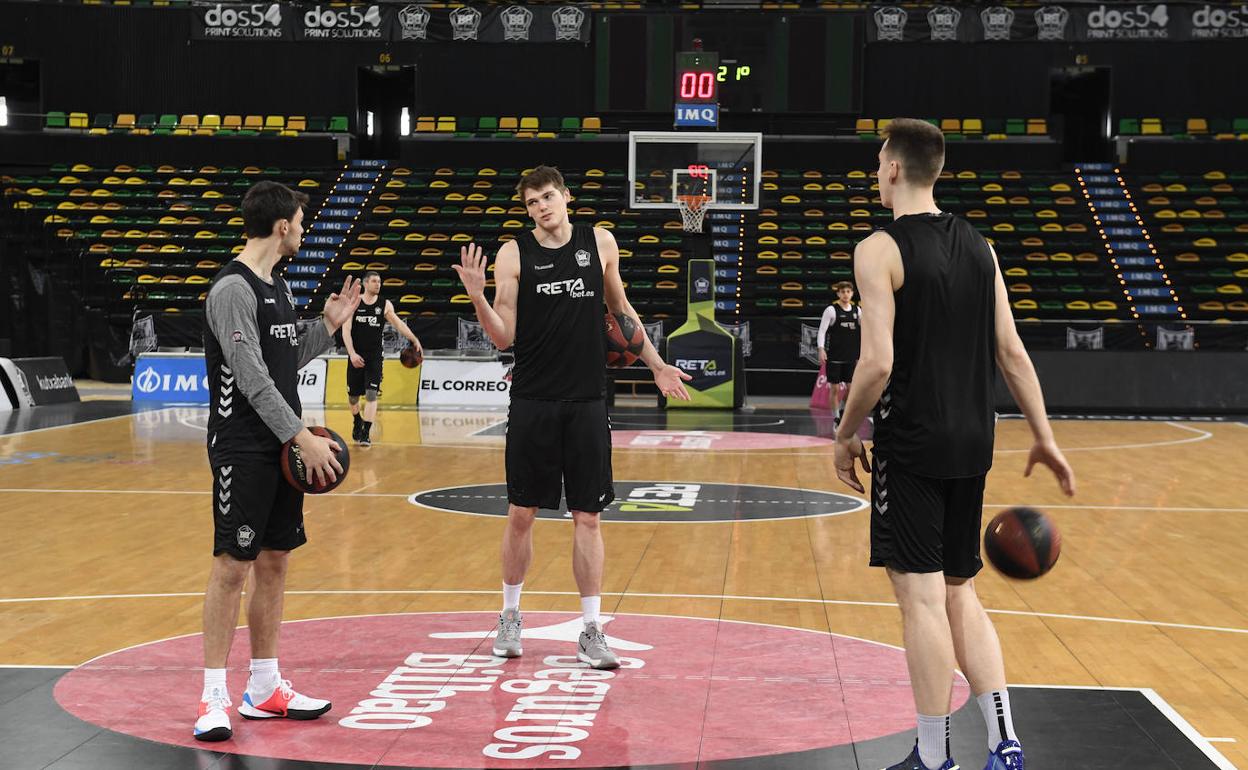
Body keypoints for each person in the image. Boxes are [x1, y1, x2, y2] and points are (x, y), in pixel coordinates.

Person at [832, 119, 1076, 770]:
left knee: (920, 599)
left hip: (912, 439)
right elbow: (1012, 352)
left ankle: (935, 758)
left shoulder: (878, 248)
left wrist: (846, 432)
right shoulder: (980, 246)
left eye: (880, 159)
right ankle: (1004, 743)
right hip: (975, 437)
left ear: (892, 169)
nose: (877, 168)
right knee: (961, 591)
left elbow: (877, 362)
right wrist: (1044, 436)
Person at [453, 165, 692, 670]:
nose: (540, 207)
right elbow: (503, 336)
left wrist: (656, 364)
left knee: (589, 516)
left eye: (546, 197)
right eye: (531, 203)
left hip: (587, 401)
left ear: (565, 196)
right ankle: (510, 616)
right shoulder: (514, 254)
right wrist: (477, 295)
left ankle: (590, 629)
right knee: (522, 513)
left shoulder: (600, 243)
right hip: (534, 400)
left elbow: (622, 311)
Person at [195, 181, 361, 742]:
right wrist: (303, 436)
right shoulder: (232, 289)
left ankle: (264, 687)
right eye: (301, 218)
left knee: (274, 563)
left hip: (281, 447)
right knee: (230, 566)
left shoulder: (279, 285)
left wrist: (329, 325)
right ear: (283, 225)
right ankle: (213, 695)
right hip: (243, 446)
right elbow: (249, 375)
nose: (305, 225)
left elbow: (284, 357)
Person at [341, 270, 424, 446]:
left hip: (375, 357)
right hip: (356, 355)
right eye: (374, 281)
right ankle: (357, 420)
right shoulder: (354, 303)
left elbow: (398, 323)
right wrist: (352, 354)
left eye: (379, 281)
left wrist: (413, 338)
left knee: (371, 394)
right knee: (353, 397)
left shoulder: (384, 304)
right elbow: (345, 330)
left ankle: (366, 432)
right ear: (365, 283)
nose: (378, 284)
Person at [817, 280, 862, 418]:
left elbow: (865, 331)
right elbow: (822, 331)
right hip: (835, 355)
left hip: (851, 355)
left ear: (852, 294)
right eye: (842, 292)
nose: (846, 294)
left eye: (848, 292)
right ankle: (836, 417)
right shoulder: (831, 310)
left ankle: (842, 410)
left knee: (851, 389)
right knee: (835, 388)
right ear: (838, 293)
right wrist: (821, 348)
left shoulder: (858, 311)